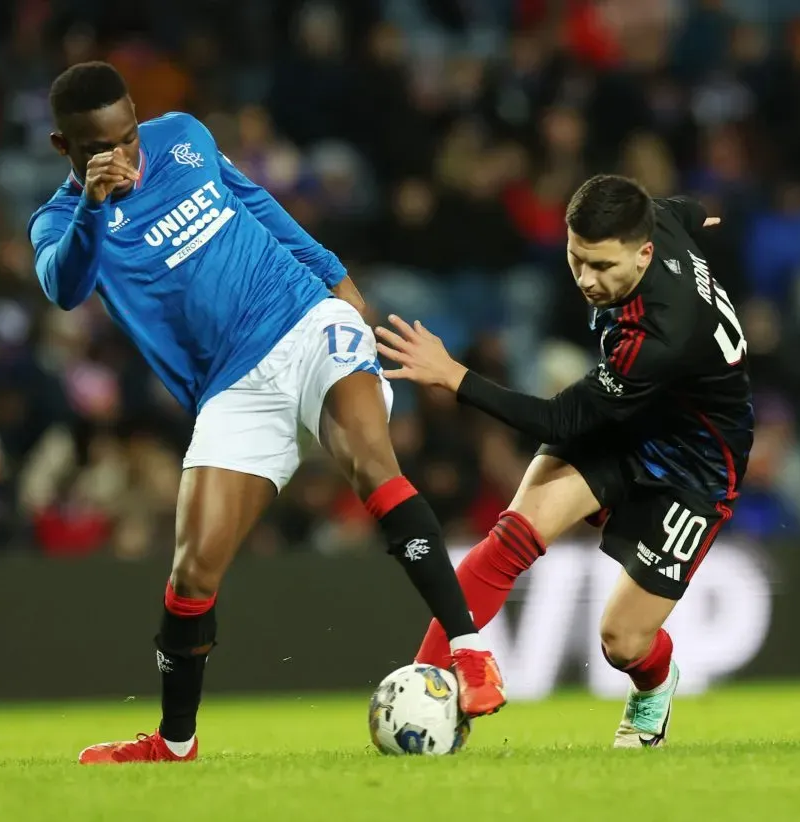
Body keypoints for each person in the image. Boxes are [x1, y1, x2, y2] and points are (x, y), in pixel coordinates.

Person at [27, 62, 506, 765]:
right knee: (193, 571)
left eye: (129, 134)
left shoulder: (183, 138)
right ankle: (175, 742)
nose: (127, 155)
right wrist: (95, 206)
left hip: (305, 322)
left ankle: (468, 654)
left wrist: (336, 277)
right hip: (232, 387)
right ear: (63, 148)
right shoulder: (61, 222)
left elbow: (252, 201)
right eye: (103, 146)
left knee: (372, 467)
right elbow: (65, 288)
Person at [375, 174, 754, 748]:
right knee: (511, 538)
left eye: (603, 266)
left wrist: (454, 376)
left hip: (694, 463)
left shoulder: (661, 331)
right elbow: (680, 207)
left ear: (645, 252)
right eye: (578, 260)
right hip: (624, 421)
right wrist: (700, 213)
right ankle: (428, 684)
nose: (587, 280)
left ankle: (654, 686)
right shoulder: (655, 219)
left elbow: (557, 422)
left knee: (622, 642)